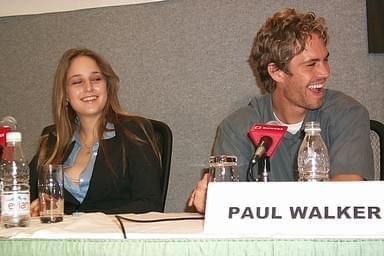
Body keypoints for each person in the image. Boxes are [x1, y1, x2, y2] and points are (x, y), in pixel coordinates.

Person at [188, 8, 374, 213]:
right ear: (276, 72)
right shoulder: (236, 128)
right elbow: (229, 208)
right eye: (311, 64)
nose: (325, 72)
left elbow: (347, 195)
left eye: (325, 60)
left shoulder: (347, 114)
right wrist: (213, 200)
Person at [29, 48, 163, 215]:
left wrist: (83, 221)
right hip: (61, 239)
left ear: (107, 85)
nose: (89, 88)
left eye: (96, 79)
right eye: (77, 82)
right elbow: (23, 194)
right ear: (65, 94)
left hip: (114, 238)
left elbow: (149, 204)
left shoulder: (134, 131)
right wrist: (37, 206)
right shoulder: (53, 140)